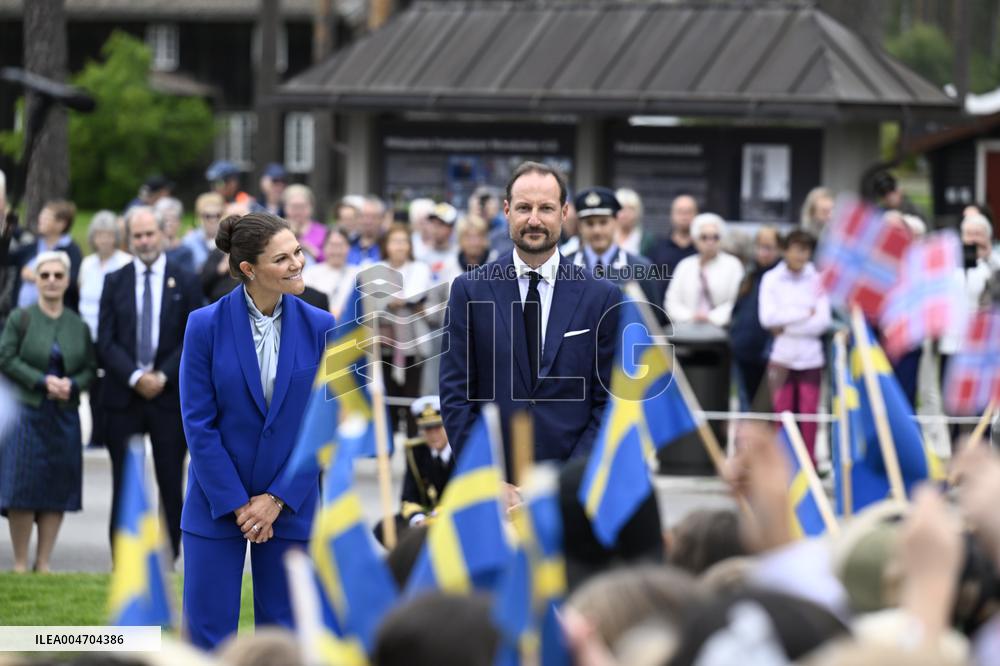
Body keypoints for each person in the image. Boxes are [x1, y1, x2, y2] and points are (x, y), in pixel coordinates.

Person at [179, 211, 334, 650]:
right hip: (216, 504)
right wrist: (238, 504)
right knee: (207, 639)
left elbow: (324, 425)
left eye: (298, 252)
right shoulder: (203, 325)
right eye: (282, 258)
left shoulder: (323, 326)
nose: (297, 263)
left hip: (292, 504)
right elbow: (198, 424)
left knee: (285, 639)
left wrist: (277, 499)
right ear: (249, 269)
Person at [440, 161, 619, 472]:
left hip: (570, 488)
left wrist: (566, 482)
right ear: (507, 211)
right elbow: (456, 395)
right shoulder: (469, 290)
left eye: (546, 208)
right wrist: (488, 479)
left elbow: (608, 401)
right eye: (524, 207)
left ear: (565, 213)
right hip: (493, 484)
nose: (534, 220)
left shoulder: (601, 296)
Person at [97, 205, 202, 561]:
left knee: (171, 482)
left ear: (162, 234)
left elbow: (193, 336)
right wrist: (135, 376)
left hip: (168, 397)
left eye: (149, 234)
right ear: (130, 239)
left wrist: (162, 375)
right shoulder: (115, 280)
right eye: (137, 236)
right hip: (123, 398)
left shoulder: (186, 279)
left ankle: (170, 556)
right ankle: (124, 563)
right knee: (125, 483)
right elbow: (105, 340)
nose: (143, 241)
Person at [0, 251, 96, 572]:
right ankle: (19, 561)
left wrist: (71, 384)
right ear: (37, 280)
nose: (52, 281)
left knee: (57, 486)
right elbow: (6, 357)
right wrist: (42, 381)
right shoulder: (21, 318)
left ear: (67, 281)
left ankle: (43, 562)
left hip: (64, 414)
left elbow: (89, 367)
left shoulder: (76, 324)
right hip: (28, 413)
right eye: (45, 275)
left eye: (58, 275)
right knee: (22, 485)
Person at [758, 230, 831, 464]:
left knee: (809, 415)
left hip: (811, 357)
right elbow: (767, 319)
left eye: (807, 250)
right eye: (797, 249)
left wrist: (786, 323)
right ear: (786, 250)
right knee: (782, 414)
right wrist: (803, 313)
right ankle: (783, 464)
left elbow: (822, 322)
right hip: (782, 356)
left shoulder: (818, 279)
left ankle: (809, 463)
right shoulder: (771, 278)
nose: (802, 255)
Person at [78, 211, 132, 449]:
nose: (104, 240)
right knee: (92, 387)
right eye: (99, 235)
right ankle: (95, 434)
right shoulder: (87, 264)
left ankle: (111, 434)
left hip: (113, 337)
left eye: (109, 235)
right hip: (88, 335)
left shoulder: (124, 262)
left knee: (111, 387)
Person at [372, 223, 432, 437]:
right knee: (388, 396)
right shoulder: (376, 267)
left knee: (412, 397)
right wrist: (395, 300)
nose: (399, 246)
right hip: (385, 342)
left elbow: (415, 294)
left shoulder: (420, 268)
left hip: (414, 344)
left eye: (403, 241)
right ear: (386, 245)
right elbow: (374, 301)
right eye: (394, 241)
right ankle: (387, 446)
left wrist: (392, 299)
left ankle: (413, 447)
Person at [374, 395, 454, 546]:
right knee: (385, 528)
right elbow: (408, 497)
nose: (433, 434)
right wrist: (418, 519)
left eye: (438, 427)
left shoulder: (462, 449)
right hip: (426, 518)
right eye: (428, 429)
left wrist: (439, 516)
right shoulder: (416, 450)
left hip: (456, 515)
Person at [564, 187, 660, 305]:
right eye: (590, 223)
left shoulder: (640, 268)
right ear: (580, 227)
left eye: (603, 222)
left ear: (616, 222)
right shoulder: (566, 266)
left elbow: (652, 318)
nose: (597, 231)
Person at [729, 226, 780, 411]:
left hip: (770, 353)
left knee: (768, 409)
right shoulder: (749, 274)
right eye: (760, 247)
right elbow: (737, 310)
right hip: (744, 350)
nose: (763, 252)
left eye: (769, 247)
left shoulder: (780, 277)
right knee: (745, 406)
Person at [664, 213, 745, 327]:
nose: (710, 242)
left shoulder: (733, 265)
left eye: (715, 237)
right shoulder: (685, 265)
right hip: (686, 330)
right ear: (695, 240)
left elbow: (736, 301)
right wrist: (690, 316)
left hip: (721, 332)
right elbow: (671, 301)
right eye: (704, 237)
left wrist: (710, 317)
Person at [9, 200, 83, 314]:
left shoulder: (71, 250)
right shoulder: (34, 245)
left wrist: (36, 277)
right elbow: (6, 258)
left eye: (46, 218)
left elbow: (71, 283)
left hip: (53, 318)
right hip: (22, 316)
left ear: (61, 224)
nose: (40, 220)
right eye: (41, 216)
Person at [302, 227, 358, 320]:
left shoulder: (357, 274)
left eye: (340, 245)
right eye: (332, 245)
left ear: (348, 248)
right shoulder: (310, 273)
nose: (336, 251)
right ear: (324, 247)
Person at [282, 184, 327, 262]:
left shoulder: (322, 231)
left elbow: (329, 259)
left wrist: (308, 247)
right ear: (285, 207)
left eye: (302, 206)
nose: (298, 211)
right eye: (294, 206)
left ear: (311, 207)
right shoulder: (277, 230)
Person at [183, 192, 225, 273]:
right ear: (199, 217)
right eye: (208, 216)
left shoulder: (229, 240)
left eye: (218, 215)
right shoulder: (189, 242)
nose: (213, 220)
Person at [155, 197, 196, 274]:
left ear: (179, 223)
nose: (169, 223)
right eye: (165, 219)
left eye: (173, 219)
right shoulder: (152, 250)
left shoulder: (186, 251)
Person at [615, 187, 657, 258]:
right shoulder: (606, 235)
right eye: (621, 208)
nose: (625, 213)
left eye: (630, 209)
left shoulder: (646, 240)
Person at [347, 196, 385, 265]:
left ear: (381, 219)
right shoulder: (347, 244)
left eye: (373, 217)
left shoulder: (387, 246)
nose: (368, 221)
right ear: (357, 218)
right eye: (364, 216)